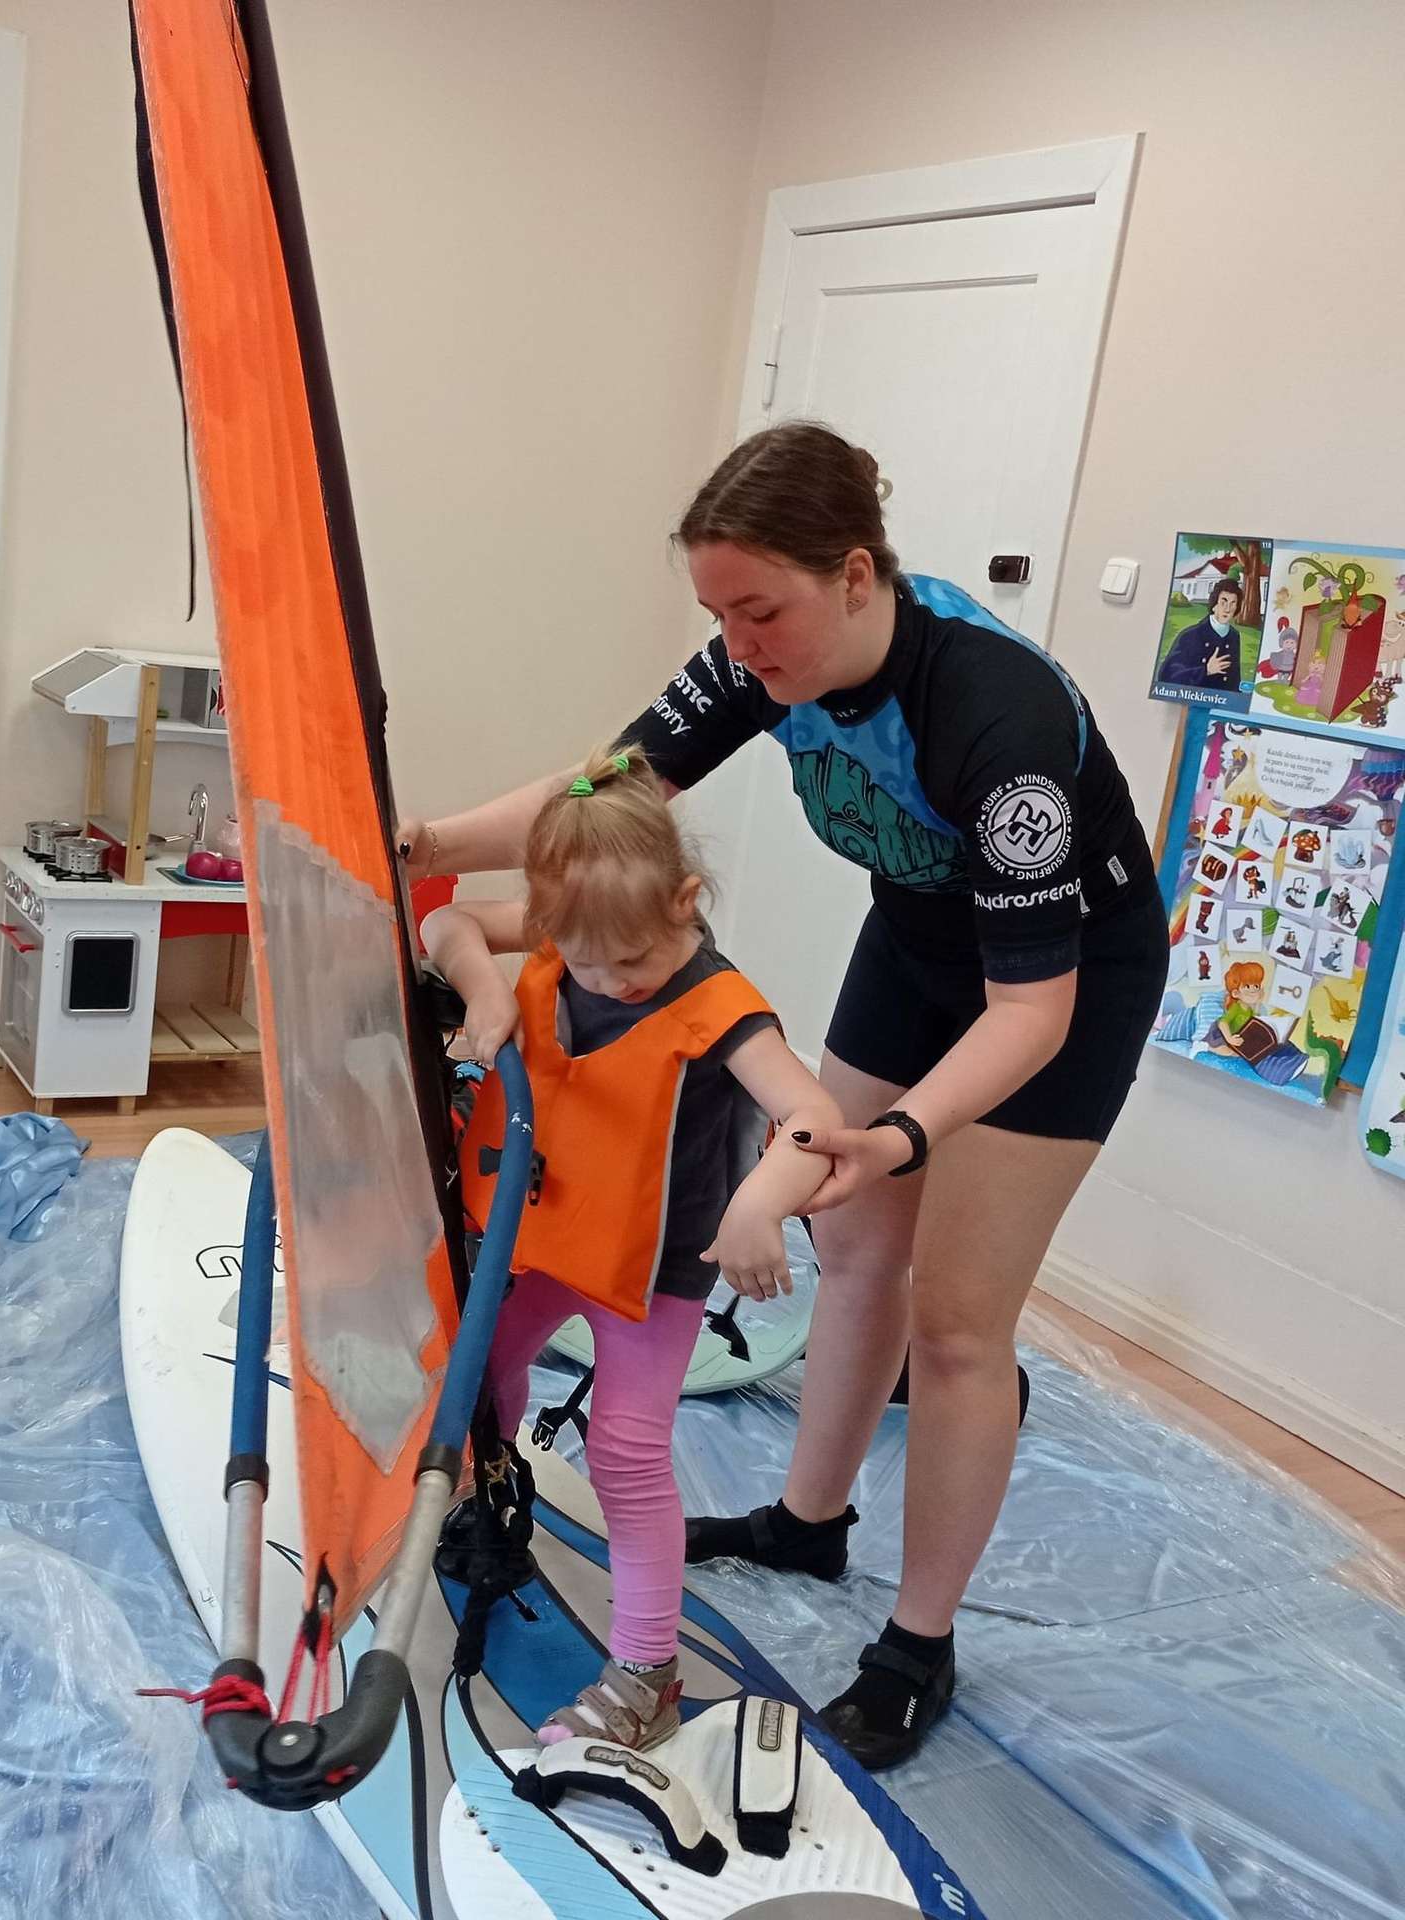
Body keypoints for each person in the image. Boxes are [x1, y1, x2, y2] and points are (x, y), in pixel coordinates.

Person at [399, 421, 1169, 1769]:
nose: (736, 643)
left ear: (857, 575)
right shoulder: (759, 656)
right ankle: (811, 1524)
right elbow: (600, 793)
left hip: (1065, 981)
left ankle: (918, 1641)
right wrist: (417, 841)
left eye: (758, 611)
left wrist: (904, 1134)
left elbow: (1030, 1013)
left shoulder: (998, 723)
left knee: (960, 1320)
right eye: (718, 614)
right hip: (920, 942)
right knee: (854, 1247)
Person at [422, 744, 841, 1752]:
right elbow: (443, 923)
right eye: (585, 962)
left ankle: (648, 1672)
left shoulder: (721, 1004)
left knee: (623, 1448)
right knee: (475, 1373)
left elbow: (814, 1117)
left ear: (686, 902)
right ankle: (492, 1496)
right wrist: (486, 991)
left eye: (633, 962)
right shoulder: (570, 930)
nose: (609, 979)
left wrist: (759, 1204)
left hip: (650, 1271)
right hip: (545, 1234)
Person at [1157, 579, 1246, 692]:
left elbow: (1234, 678)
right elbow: (1166, 676)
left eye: (1233, 603)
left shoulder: (1234, 636)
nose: (1227, 609)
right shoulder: (1190, 635)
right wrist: (1206, 670)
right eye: (1223, 602)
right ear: (1214, 605)